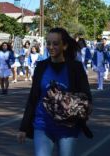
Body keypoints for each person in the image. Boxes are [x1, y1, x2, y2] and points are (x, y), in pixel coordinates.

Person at [18, 27, 93, 156]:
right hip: (42, 125)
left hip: (67, 127)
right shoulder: (41, 67)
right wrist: (23, 127)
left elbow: (87, 97)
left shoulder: (75, 68)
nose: (51, 47)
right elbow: (33, 98)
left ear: (64, 46)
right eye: (48, 43)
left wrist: (74, 105)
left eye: (55, 43)